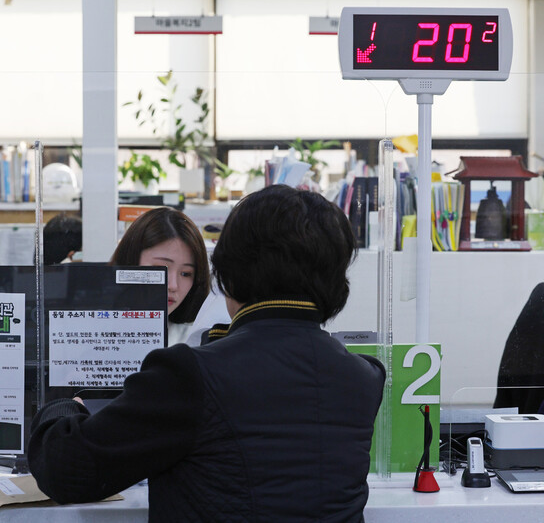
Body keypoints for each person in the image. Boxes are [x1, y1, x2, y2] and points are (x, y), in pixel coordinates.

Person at [28, 185, 386, 522]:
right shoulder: (364, 377)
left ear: (229, 272)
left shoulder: (191, 375)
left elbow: (65, 470)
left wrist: (64, 404)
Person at [109, 207, 210, 345]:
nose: (173, 286)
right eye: (160, 269)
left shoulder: (197, 341)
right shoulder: (89, 330)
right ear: (130, 261)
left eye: (186, 274)